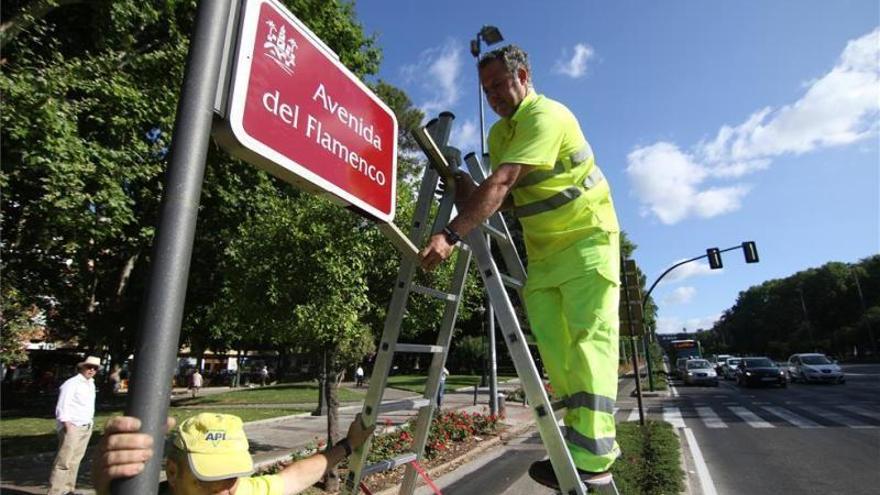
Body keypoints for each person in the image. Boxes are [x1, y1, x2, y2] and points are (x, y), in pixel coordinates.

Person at [419, 44, 621, 489]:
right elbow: (506, 197)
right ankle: (578, 445)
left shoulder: (546, 116)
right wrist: (470, 190)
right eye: (486, 90)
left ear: (523, 76)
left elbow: (504, 180)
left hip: (588, 239)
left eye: (499, 85)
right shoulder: (500, 137)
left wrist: (451, 234)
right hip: (546, 250)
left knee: (590, 343)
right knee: (555, 347)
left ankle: (596, 459)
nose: (492, 97)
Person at [92, 412, 375, 495]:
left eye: (232, 475)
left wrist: (348, 445)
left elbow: (293, 478)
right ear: (173, 472)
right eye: (208, 478)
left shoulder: (237, 491)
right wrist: (107, 488)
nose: (225, 489)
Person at [49, 355, 101, 495]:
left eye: (94, 368)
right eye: (89, 367)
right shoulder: (71, 383)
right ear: (82, 367)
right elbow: (62, 404)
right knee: (63, 461)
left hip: (85, 425)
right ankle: (55, 491)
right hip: (72, 426)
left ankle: (68, 489)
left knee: (75, 460)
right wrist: (66, 423)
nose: (91, 370)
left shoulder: (91, 383)